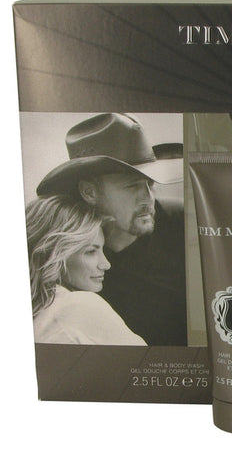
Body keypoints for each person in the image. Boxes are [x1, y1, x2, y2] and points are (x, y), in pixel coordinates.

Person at [35, 113, 187, 346]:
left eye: (150, 183)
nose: (148, 198)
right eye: (132, 186)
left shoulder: (183, 224)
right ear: (89, 192)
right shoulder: (72, 258)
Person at [28, 195, 146, 345]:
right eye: (90, 251)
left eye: (102, 250)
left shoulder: (41, 312)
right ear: (53, 254)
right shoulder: (78, 305)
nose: (106, 264)